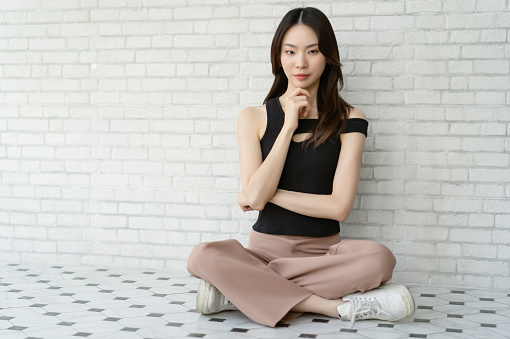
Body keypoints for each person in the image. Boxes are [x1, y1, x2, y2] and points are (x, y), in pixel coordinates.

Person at [186, 6, 415, 329]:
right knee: (202, 256)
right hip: (263, 255)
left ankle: (240, 291)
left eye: (313, 51)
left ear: (328, 56)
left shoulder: (352, 119)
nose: (301, 63)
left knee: (380, 259)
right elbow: (255, 200)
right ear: (278, 56)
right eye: (290, 51)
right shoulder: (254, 117)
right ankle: (333, 307)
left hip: (324, 258)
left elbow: (338, 207)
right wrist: (288, 126)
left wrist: (267, 193)